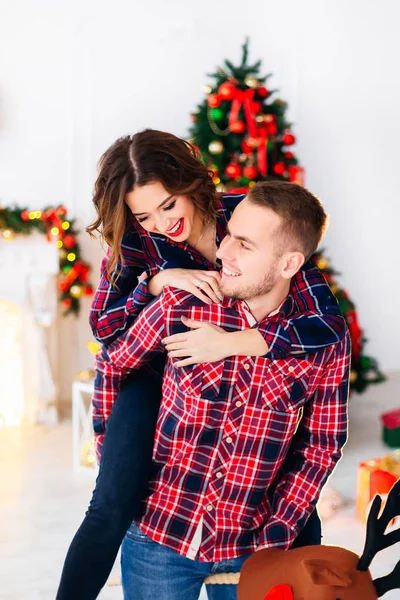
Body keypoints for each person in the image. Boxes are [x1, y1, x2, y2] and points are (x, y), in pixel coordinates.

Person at [56, 130, 347, 600]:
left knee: (296, 508)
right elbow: (107, 332)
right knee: (112, 501)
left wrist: (235, 343)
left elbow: (327, 326)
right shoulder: (137, 243)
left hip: (245, 347)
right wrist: (155, 283)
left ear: (189, 184)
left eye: (169, 205)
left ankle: (286, 566)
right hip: (158, 363)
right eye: (145, 214)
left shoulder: (245, 215)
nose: (161, 222)